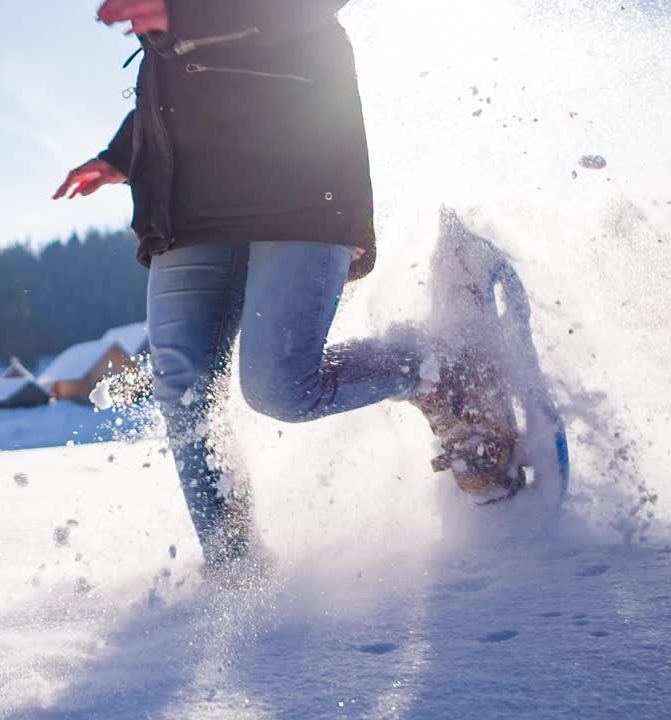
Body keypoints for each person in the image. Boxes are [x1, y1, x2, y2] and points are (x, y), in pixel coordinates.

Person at [54, 0, 520, 566]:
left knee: (280, 388)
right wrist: (124, 154)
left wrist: (188, 17)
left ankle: (436, 370)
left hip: (296, 186)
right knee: (183, 394)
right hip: (187, 214)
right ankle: (237, 576)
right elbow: (184, 86)